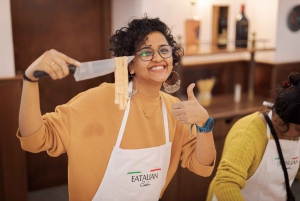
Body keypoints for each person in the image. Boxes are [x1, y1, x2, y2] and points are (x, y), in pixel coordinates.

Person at [17, 15, 216, 201]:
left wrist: (204, 124)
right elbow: (34, 140)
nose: (158, 58)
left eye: (164, 50)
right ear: (129, 65)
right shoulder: (95, 102)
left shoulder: (175, 110)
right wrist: (30, 80)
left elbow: (202, 167)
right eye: (146, 52)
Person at [206, 72, 300, 201]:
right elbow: (226, 184)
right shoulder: (248, 133)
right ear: (284, 119)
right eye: (299, 129)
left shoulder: (294, 134)